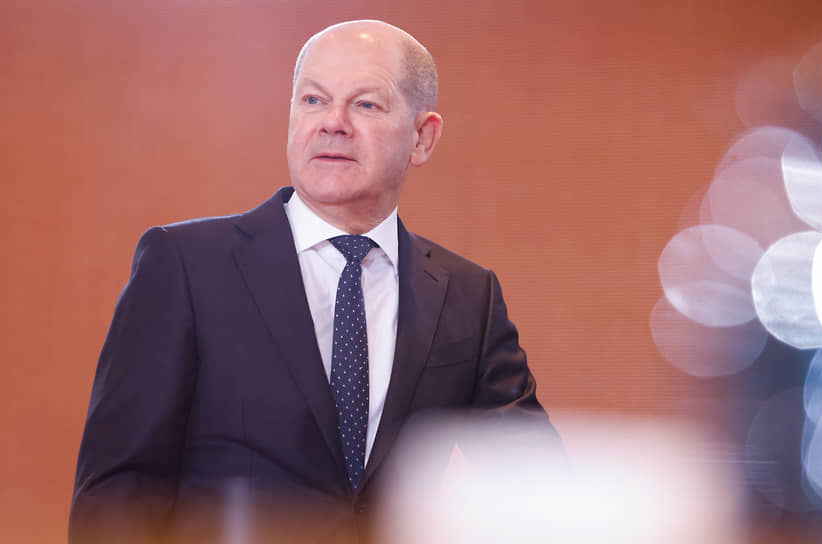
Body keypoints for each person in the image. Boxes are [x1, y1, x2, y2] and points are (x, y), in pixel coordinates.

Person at [69, 20, 555, 544]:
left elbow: (540, 488)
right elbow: (116, 496)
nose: (333, 123)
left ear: (422, 137)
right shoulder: (186, 265)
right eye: (314, 100)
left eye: (365, 104)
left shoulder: (467, 296)